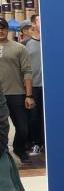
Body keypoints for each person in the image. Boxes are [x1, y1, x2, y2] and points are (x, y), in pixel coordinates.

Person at [0, 19, 34, 166]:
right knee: (2, 129)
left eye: (3, 28)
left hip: (17, 94)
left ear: (8, 30)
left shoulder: (19, 48)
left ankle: (19, 149)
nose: (1, 31)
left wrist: (29, 95)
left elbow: (27, 71)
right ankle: (3, 154)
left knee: (23, 128)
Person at [21, 16, 42, 156]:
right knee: (34, 117)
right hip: (33, 86)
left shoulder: (50, 40)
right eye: (39, 20)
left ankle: (45, 143)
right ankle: (36, 143)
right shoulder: (25, 44)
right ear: (33, 24)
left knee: (47, 117)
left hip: (49, 86)